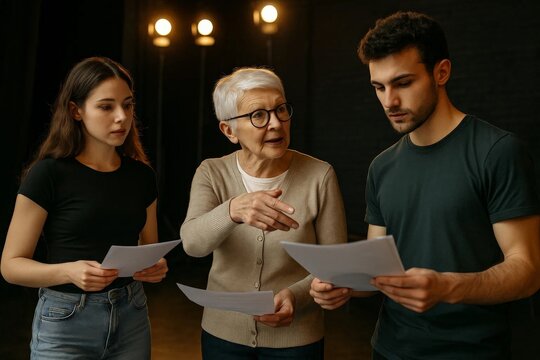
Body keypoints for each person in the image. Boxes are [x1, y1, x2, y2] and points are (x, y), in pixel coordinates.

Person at [309, 11, 540, 359]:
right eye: (379, 87)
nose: (389, 102)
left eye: (403, 83)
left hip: (475, 352)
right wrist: (341, 286)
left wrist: (447, 286)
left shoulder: (497, 152)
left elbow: (527, 270)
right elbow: (377, 271)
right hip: (390, 348)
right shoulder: (382, 166)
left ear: (441, 72)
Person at [1, 56, 168, 359]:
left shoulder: (142, 175)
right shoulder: (49, 174)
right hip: (66, 320)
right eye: (106, 107)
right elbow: (10, 266)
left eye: (127, 105)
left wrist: (153, 267)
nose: (121, 117)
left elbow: (148, 246)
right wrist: (69, 272)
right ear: (76, 111)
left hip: (132, 314)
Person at [180, 67, 347, 359]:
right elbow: (193, 244)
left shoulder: (320, 175)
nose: (276, 124)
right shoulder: (212, 172)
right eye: (258, 115)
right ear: (229, 130)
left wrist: (295, 296)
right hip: (223, 336)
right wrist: (233, 209)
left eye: (281, 110)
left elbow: (335, 265)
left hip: (297, 339)